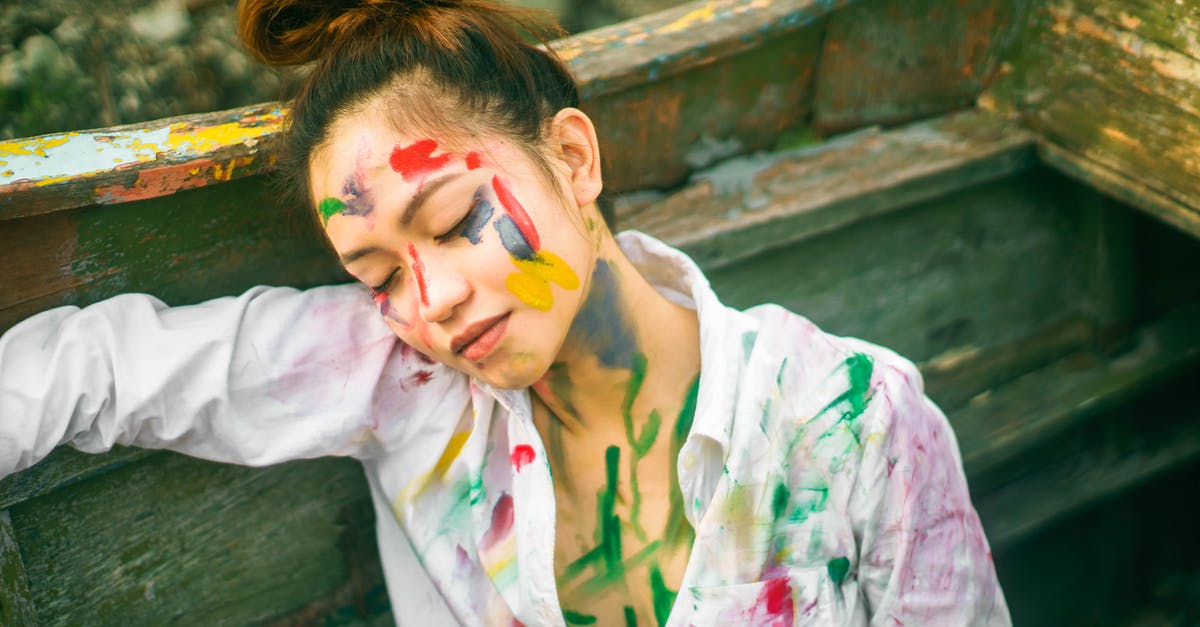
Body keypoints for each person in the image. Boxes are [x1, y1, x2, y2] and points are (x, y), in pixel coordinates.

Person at [0, 1, 1011, 625]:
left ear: (573, 158)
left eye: (450, 219)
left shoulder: (852, 425)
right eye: (378, 273)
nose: (429, 300)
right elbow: (94, 365)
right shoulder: (412, 385)